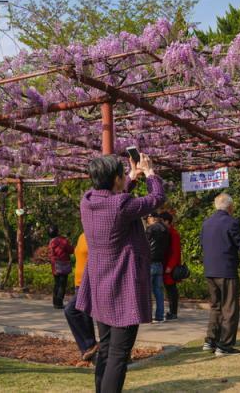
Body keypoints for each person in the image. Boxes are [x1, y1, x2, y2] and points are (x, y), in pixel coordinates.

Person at [76, 153, 165, 393]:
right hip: (122, 286)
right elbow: (156, 198)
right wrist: (150, 173)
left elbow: (115, 197)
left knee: (105, 348)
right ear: (116, 178)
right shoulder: (121, 206)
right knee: (118, 354)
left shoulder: (87, 201)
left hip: (99, 285)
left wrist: (131, 177)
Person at [200, 193, 240, 357]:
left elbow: (202, 244)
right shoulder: (232, 222)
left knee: (215, 306)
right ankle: (225, 345)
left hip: (210, 270)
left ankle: (210, 340)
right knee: (229, 308)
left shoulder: (206, 223)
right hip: (226, 270)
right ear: (230, 207)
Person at [64, 232, 97, 361]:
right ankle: (90, 351)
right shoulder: (82, 236)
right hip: (79, 283)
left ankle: (89, 346)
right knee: (85, 315)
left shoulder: (95, 236)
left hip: (88, 283)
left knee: (70, 311)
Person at [145, 213, 169, 323]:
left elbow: (144, 244)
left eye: (147, 219)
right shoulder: (165, 229)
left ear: (151, 218)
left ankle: (147, 316)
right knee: (158, 291)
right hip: (160, 262)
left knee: (147, 291)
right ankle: (159, 315)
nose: (146, 221)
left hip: (149, 262)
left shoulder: (150, 230)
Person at [161, 211, 182, 321]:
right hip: (166, 265)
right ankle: (172, 311)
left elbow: (175, 252)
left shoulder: (173, 233)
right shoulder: (166, 232)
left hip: (170, 267)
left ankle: (173, 312)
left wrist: (170, 266)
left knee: (171, 290)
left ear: (167, 221)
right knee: (169, 289)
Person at [48, 224, 74, 309]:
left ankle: (55, 302)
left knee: (57, 283)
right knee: (62, 284)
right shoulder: (62, 241)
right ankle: (59, 303)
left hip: (54, 265)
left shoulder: (51, 242)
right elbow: (71, 250)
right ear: (57, 231)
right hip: (63, 265)